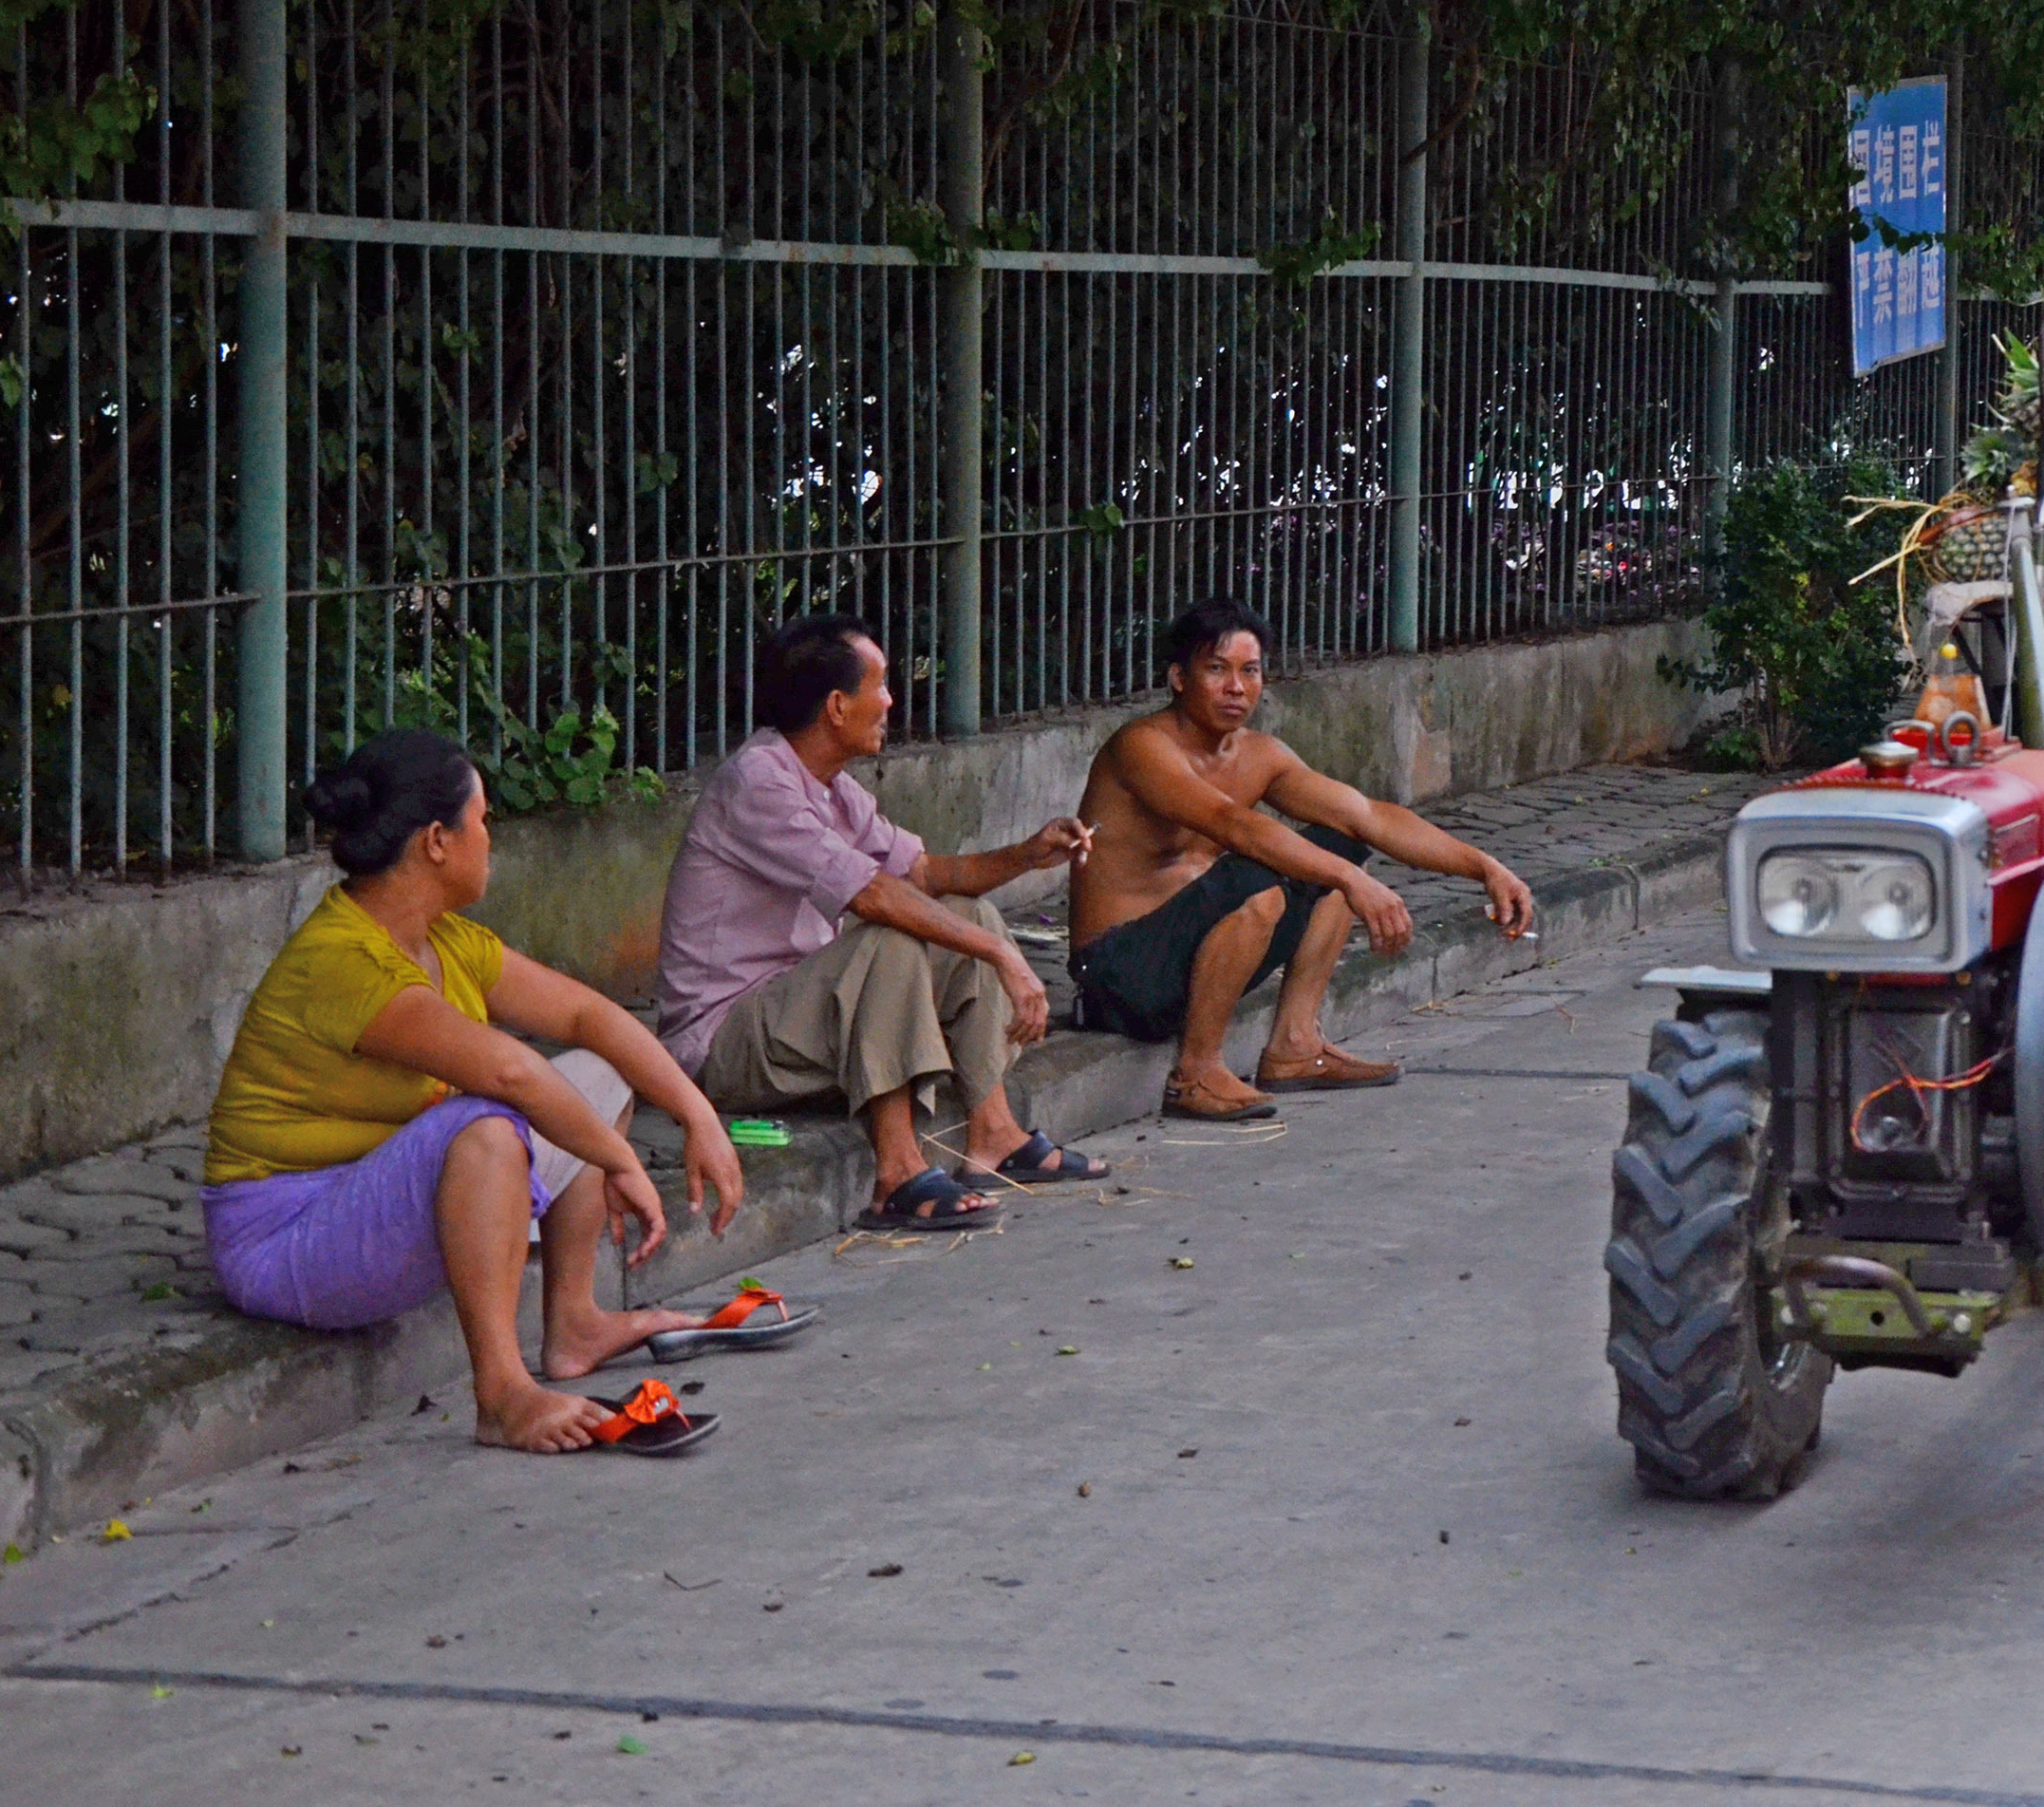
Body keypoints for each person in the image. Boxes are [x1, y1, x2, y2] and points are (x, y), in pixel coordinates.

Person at [202, 730, 770, 1456]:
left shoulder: (444, 939)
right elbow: (510, 1073)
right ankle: (501, 1395)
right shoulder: (340, 960)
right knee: (488, 1123)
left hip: (363, 1199)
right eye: (484, 821)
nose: (489, 838)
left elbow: (586, 1015)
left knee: (595, 1076)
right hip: (281, 1240)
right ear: (438, 840)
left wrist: (698, 1116)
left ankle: (574, 1325)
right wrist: (621, 1162)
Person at [654, 615, 1104, 1232]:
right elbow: (872, 896)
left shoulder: (834, 790)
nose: (892, 700)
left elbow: (922, 874)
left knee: (969, 915)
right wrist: (1006, 957)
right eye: (882, 683)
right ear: (837, 706)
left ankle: (993, 1133)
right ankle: (895, 1173)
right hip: (726, 1040)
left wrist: (1026, 854)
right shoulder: (757, 780)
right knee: (891, 940)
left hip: (801, 1014)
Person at [1071, 597, 1538, 1121]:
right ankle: (1195, 1073)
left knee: (1337, 850)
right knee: (1267, 878)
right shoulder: (1141, 747)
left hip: (1190, 960)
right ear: (1179, 678)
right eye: (1216, 670)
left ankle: (1295, 1046)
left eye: (1250, 671)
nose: (1236, 687)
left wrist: (1485, 867)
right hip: (1117, 975)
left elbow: (1369, 816)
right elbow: (1234, 825)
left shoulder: (1260, 754)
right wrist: (1348, 879)